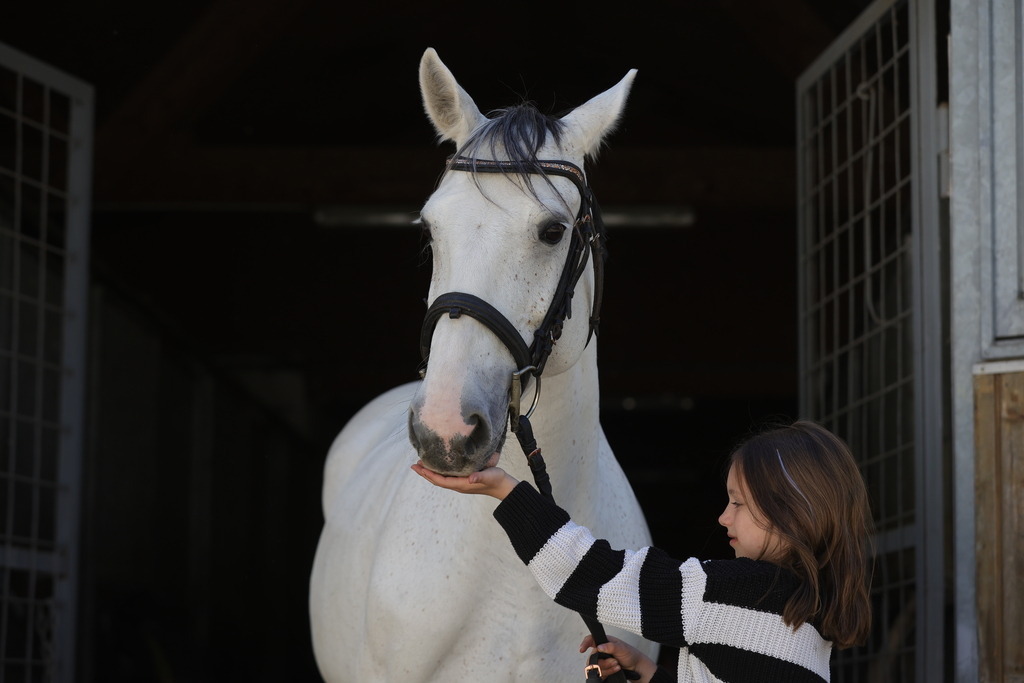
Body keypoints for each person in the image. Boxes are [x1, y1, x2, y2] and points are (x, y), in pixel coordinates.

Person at [411, 419, 873, 682]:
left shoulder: (735, 592)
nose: (723, 518)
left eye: (738, 504)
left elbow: (594, 574)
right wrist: (650, 672)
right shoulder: (808, 621)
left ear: (792, 514)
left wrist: (509, 493)